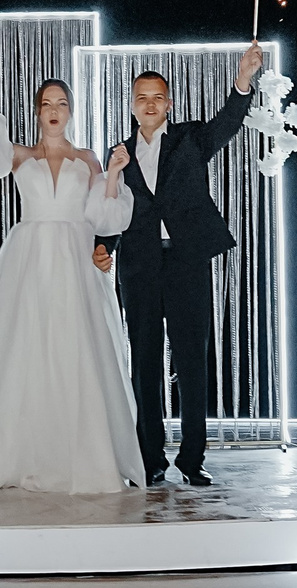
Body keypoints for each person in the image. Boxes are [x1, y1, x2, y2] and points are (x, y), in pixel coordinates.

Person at [0, 79, 145, 494]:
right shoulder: (18, 155)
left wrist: (115, 173)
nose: (54, 110)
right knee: (23, 347)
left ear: (70, 111)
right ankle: (14, 455)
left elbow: (103, 216)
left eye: (61, 103)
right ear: (36, 110)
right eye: (46, 103)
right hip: (28, 257)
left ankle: (81, 458)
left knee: (73, 347)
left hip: (74, 256)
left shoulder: (87, 159)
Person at [105, 42, 264, 486]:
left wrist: (243, 80)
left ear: (169, 103)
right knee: (145, 364)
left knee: (194, 361)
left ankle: (192, 460)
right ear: (132, 104)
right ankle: (150, 459)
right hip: (139, 266)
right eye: (142, 97)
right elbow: (110, 204)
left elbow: (229, 123)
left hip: (187, 262)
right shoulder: (117, 151)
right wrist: (102, 245)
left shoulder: (191, 139)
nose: (150, 104)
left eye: (158, 96)